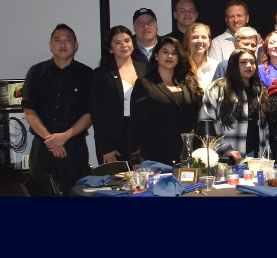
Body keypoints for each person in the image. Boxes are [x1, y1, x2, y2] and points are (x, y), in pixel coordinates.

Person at [22, 24, 93, 194]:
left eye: (67, 40)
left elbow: (90, 114)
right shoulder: (36, 72)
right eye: (58, 40)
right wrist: (50, 140)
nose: (62, 44)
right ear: (50, 45)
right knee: (41, 194)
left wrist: (65, 136)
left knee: (76, 194)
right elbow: (29, 110)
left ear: (75, 45)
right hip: (43, 147)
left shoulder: (87, 74)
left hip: (74, 146)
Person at [128, 37, 202, 166]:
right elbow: (136, 122)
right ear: (156, 56)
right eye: (165, 51)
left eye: (174, 53)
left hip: (185, 153)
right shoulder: (144, 83)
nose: (170, 56)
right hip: (154, 153)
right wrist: (135, 156)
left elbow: (194, 119)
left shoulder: (188, 83)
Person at [200, 48, 270, 164]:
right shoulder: (216, 89)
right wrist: (226, 149)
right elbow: (207, 126)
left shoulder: (261, 90)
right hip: (228, 158)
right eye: (243, 62)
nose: (249, 65)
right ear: (233, 64)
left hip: (258, 157)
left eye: (252, 62)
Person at [91, 25, 146, 167]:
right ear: (110, 49)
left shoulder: (145, 69)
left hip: (141, 135)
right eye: (117, 42)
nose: (123, 45)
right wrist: (106, 147)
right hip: (115, 138)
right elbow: (97, 114)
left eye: (127, 40)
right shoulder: (101, 74)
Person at [184, 21, 217, 90]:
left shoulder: (215, 67)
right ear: (187, 41)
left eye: (204, 37)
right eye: (195, 37)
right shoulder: (181, 65)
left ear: (209, 41)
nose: (200, 41)